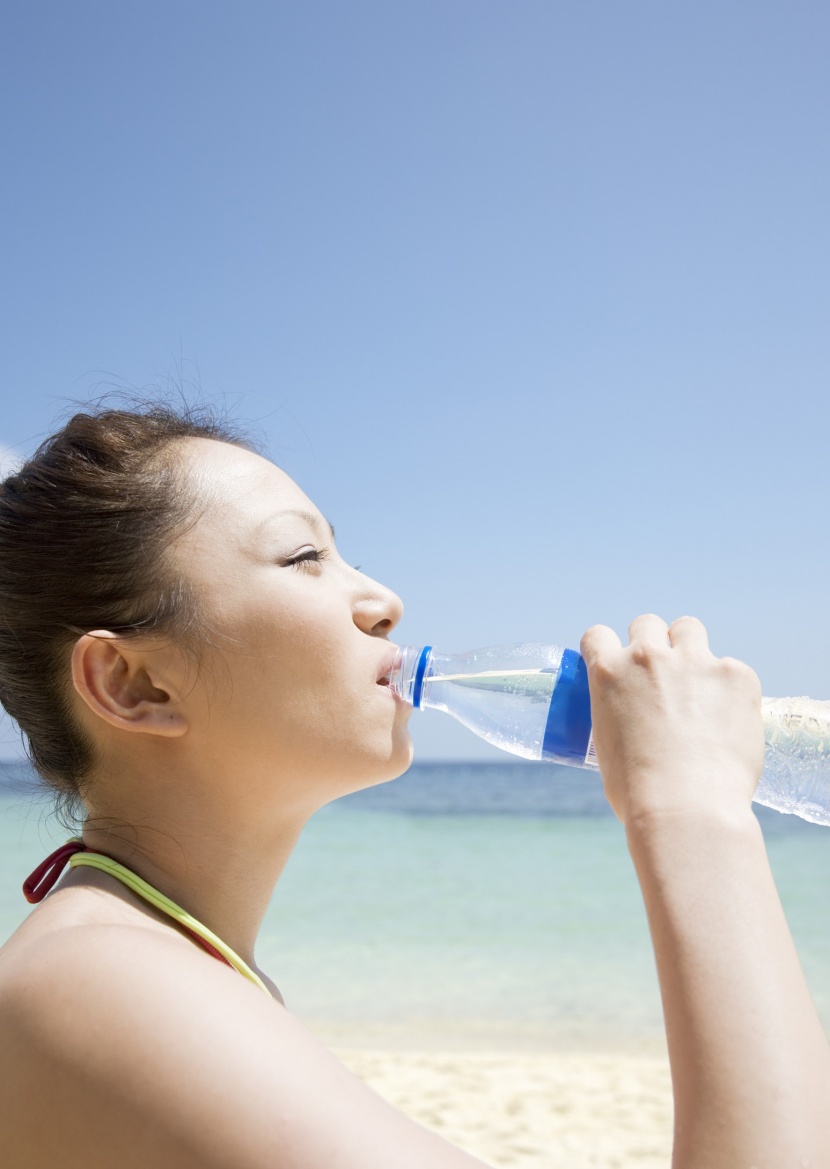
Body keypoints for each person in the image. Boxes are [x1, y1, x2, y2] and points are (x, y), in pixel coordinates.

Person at [0, 402, 827, 1169]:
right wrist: (692, 810)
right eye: (304, 557)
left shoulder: (154, 964)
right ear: (134, 684)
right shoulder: (102, 985)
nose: (384, 599)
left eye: (344, 550)